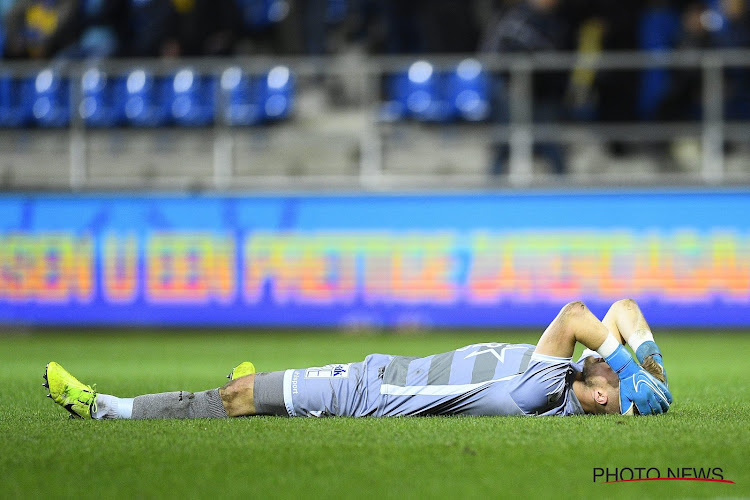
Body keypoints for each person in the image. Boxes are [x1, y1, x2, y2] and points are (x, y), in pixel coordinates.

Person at [43, 299, 671, 420]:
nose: (606, 364)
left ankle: (103, 408)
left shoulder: (542, 385)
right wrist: (645, 363)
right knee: (250, 389)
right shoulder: (563, 380)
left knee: (235, 401)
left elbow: (576, 313)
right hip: (379, 371)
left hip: (366, 395)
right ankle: (253, 385)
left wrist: (629, 370)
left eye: (614, 378)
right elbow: (622, 307)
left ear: (596, 394)